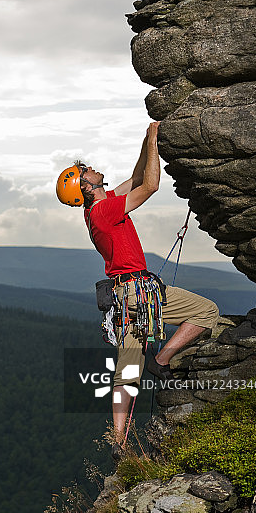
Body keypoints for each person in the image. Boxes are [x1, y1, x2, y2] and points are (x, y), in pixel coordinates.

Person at [56, 122, 219, 455]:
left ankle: (118, 441)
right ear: (86, 188)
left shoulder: (99, 206)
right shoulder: (103, 210)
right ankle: (162, 359)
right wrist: (155, 143)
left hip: (125, 298)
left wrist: (147, 142)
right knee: (207, 311)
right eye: (85, 171)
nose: (90, 168)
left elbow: (134, 178)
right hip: (140, 292)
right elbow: (151, 185)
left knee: (127, 370)